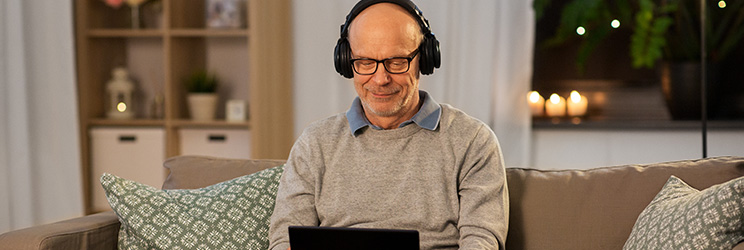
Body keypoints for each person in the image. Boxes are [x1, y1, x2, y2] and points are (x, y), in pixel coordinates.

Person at [268, 0, 508, 249]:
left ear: (424, 59)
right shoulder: (314, 143)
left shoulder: (473, 141)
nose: (380, 79)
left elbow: (481, 241)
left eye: (396, 62)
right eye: (365, 62)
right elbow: (285, 240)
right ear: (346, 61)